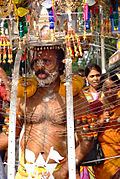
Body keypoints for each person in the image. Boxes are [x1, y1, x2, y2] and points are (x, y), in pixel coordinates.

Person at [0, 43, 95, 179]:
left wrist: (65, 170)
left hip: (60, 171)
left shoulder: (74, 97)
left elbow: (87, 140)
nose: (40, 67)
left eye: (46, 61)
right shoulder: (25, 96)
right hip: (26, 172)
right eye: (36, 62)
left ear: (61, 65)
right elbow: (9, 136)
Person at [79, 63, 104, 179]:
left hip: (107, 138)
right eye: (92, 76)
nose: (95, 79)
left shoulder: (107, 92)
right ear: (86, 78)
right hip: (88, 138)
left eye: (97, 75)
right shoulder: (82, 95)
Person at [94, 72, 120, 179]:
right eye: (106, 88)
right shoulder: (96, 106)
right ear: (102, 89)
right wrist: (101, 120)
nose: (110, 92)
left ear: (118, 87)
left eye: (113, 87)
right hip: (105, 156)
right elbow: (87, 130)